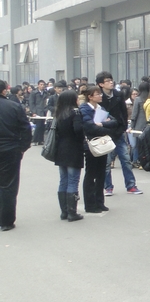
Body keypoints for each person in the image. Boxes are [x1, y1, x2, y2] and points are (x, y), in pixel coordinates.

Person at [95, 71, 142, 196]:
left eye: (111, 80)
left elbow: (123, 112)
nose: (111, 82)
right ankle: (108, 187)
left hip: (118, 132)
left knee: (125, 160)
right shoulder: (98, 96)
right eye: (107, 81)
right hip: (104, 133)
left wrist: (123, 127)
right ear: (100, 84)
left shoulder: (118, 94)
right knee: (106, 162)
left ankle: (131, 185)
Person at [0, 80, 32, 231]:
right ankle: (6, 221)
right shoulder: (14, 106)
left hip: (10, 147)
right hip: (10, 149)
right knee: (8, 185)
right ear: (4, 91)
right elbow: (25, 128)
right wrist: (22, 147)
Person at [79, 86, 115, 213]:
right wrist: (105, 127)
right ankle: (90, 204)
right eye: (97, 94)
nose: (100, 96)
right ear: (90, 97)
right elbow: (90, 126)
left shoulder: (101, 108)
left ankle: (100, 202)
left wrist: (103, 124)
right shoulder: (84, 109)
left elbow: (114, 121)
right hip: (91, 144)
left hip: (102, 143)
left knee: (101, 173)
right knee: (91, 173)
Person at [53, 90, 85, 222]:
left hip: (61, 149)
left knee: (63, 180)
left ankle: (64, 212)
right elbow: (78, 130)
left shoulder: (59, 113)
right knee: (73, 181)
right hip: (73, 148)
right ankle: (72, 212)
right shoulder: (75, 112)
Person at [129, 81, 150, 167]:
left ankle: (136, 160)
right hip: (149, 124)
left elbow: (134, 114)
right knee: (148, 145)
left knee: (138, 145)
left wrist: (131, 126)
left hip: (139, 125)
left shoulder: (138, 99)